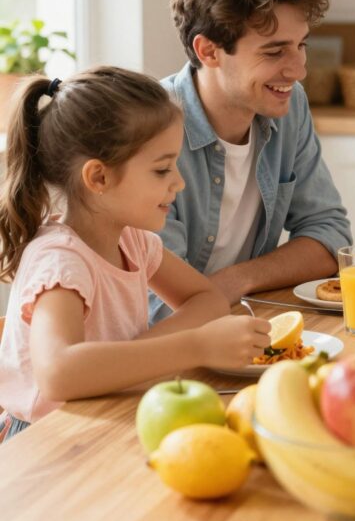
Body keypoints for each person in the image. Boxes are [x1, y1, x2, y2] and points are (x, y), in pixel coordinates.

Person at [0, 68, 271, 444]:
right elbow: (58, 374)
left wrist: (129, 361)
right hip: (43, 442)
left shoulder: (134, 242)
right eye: (161, 169)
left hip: (105, 416)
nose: (178, 182)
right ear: (98, 178)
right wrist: (196, 346)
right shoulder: (61, 260)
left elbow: (206, 298)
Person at [153, 0, 352, 320]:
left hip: (238, 324)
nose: (298, 69)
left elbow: (330, 236)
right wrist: (221, 295)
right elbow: (161, 308)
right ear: (208, 51)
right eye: (275, 52)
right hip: (160, 354)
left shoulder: (289, 106)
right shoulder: (147, 132)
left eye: (301, 45)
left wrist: (235, 281)